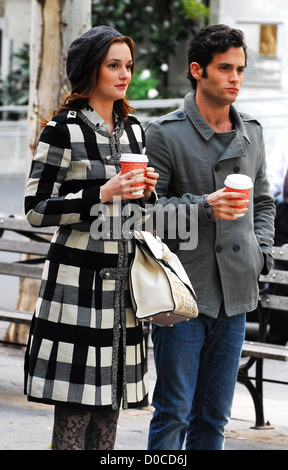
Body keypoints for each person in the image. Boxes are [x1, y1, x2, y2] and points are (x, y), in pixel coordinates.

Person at [24, 25, 158, 450]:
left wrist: (147, 191)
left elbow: (139, 211)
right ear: (89, 70)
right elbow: (36, 208)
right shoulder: (62, 130)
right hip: (75, 287)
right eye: (113, 65)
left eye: (128, 66)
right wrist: (100, 194)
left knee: (108, 412)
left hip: (123, 290)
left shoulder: (134, 129)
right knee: (75, 409)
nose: (124, 75)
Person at [145, 24, 275, 450]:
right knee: (174, 415)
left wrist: (261, 254)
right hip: (182, 295)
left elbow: (263, 203)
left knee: (214, 419)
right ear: (198, 70)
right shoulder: (165, 132)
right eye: (225, 68)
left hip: (235, 294)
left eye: (239, 68)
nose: (235, 77)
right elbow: (142, 216)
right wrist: (204, 206)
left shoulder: (252, 130)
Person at [266, 131, 288, 344]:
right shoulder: (285, 138)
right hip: (286, 214)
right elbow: (273, 182)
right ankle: (277, 337)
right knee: (282, 274)